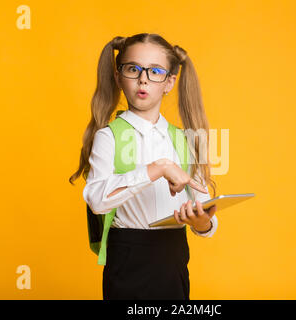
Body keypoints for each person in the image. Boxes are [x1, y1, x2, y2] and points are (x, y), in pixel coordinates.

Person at [69, 33, 218, 300]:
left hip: (173, 259)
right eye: (133, 68)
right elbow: (97, 200)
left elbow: (205, 211)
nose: (143, 78)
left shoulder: (185, 140)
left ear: (169, 82)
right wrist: (157, 168)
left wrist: (203, 222)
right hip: (128, 259)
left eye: (155, 71)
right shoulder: (108, 137)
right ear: (118, 76)